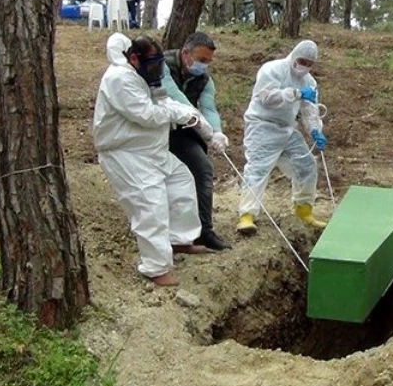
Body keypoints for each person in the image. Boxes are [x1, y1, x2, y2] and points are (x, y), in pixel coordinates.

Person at [93, 32, 212, 286]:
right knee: (150, 205)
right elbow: (146, 115)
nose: (157, 69)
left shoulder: (146, 75)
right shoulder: (120, 79)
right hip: (126, 153)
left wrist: (196, 117)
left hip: (152, 150)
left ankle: (179, 240)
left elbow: (164, 100)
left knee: (181, 182)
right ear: (134, 59)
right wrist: (182, 117)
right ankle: (155, 268)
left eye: (159, 64)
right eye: (153, 64)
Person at [236, 40, 329, 235]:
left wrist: (315, 130)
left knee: (307, 165)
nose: (305, 66)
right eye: (302, 61)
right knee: (258, 168)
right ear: (294, 56)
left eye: (310, 63)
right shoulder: (272, 69)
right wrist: (295, 94)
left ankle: (304, 210)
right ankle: (246, 215)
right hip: (262, 125)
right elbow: (267, 98)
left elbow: (309, 111)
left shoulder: (310, 82)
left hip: (287, 129)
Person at [162, 31, 231, 251]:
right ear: (185, 53)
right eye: (201, 60)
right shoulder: (162, 65)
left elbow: (208, 107)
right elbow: (174, 95)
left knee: (202, 169)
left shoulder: (204, 80)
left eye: (208, 62)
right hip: (154, 127)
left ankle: (204, 232)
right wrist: (202, 124)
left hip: (183, 130)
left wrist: (217, 132)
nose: (204, 66)